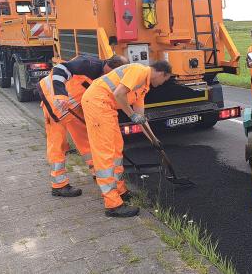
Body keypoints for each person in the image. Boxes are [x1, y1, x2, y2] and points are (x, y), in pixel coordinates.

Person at [82, 61, 172, 217]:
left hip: (106, 107)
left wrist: (154, 140)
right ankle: (112, 205)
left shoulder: (143, 87)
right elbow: (118, 94)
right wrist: (131, 115)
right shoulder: (139, 71)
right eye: (166, 79)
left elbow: (141, 118)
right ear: (161, 73)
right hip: (97, 103)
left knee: (117, 148)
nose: (164, 83)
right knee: (106, 153)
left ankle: (120, 191)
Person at [39, 55, 129, 198]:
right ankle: (59, 185)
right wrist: (60, 95)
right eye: (111, 73)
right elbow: (60, 69)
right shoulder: (89, 64)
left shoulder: (102, 73)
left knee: (87, 139)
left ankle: (97, 173)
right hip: (54, 101)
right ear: (108, 67)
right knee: (58, 144)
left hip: (71, 107)